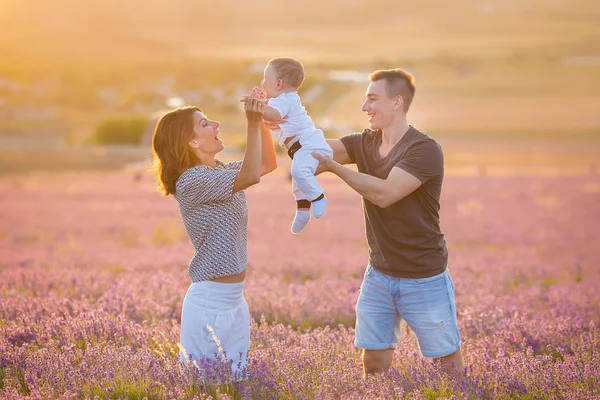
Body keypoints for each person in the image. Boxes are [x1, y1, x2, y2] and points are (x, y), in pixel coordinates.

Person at [311, 68, 465, 378]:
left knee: (446, 364)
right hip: (379, 273)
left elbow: (385, 194)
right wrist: (275, 121)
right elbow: (313, 152)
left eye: (371, 99)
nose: (364, 107)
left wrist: (334, 169)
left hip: (424, 276)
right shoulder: (364, 142)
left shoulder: (423, 149)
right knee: (374, 361)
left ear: (396, 103)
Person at [150, 98, 277, 381]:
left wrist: (264, 121)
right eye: (205, 124)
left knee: (234, 386)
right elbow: (252, 175)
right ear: (192, 143)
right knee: (205, 390)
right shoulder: (191, 180)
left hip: (235, 300)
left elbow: (266, 164)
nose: (216, 125)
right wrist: (252, 123)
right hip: (209, 304)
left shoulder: (217, 170)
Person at [244, 57, 333, 234]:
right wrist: (262, 102)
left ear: (278, 84)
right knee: (297, 181)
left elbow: (273, 114)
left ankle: (318, 197)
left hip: (309, 144)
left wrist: (256, 105)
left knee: (299, 173)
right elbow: (272, 112)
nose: (262, 83)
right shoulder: (283, 99)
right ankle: (302, 211)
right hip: (303, 146)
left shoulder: (285, 99)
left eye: (265, 78)